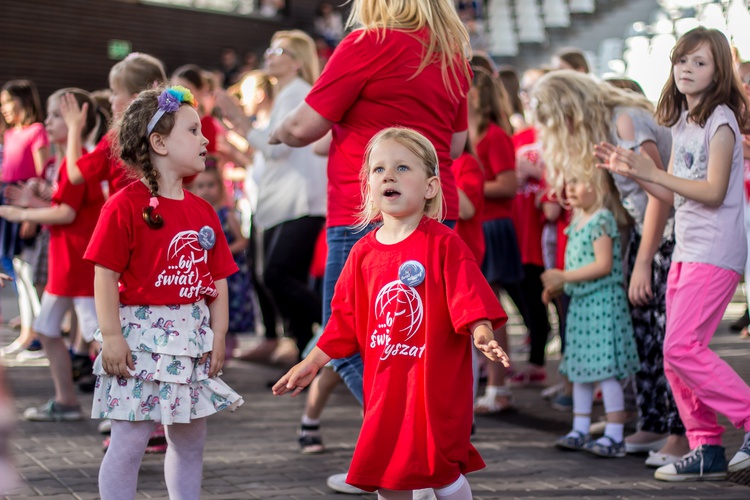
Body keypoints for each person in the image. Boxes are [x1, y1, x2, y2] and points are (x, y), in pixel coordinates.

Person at [267, 0, 471, 480]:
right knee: (414, 342)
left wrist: (274, 130)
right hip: (436, 210)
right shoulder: (451, 55)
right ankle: (416, 462)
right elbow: (456, 146)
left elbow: (301, 127)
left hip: (370, 215)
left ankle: (409, 459)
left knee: (349, 340)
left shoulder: (367, 43)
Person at [273, 127, 509, 499]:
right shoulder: (362, 253)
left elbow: (470, 299)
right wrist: (313, 363)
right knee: (388, 477)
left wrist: (482, 333)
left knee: (442, 474)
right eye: (379, 170)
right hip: (385, 390)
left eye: (402, 168)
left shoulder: (444, 244)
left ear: (431, 187)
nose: (389, 176)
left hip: (434, 389)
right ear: (369, 185)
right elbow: (343, 322)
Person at [596, 26, 750, 481]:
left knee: (682, 347)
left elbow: (713, 190)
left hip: (714, 250)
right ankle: (705, 446)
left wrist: (651, 171)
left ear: (719, 71)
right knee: (675, 352)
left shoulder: (721, 120)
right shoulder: (685, 121)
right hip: (688, 247)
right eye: (682, 60)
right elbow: (676, 193)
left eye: (699, 62)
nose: (687, 68)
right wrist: (634, 170)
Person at [84, 86, 243, 498]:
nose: (205, 138)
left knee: (190, 441)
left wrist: (219, 335)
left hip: (191, 340)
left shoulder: (203, 209)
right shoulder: (122, 206)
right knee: (130, 442)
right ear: (158, 142)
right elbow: (104, 275)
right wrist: (112, 337)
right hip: (139, 341)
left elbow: (218, 279)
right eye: (192, 130)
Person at [532, 70, 688, 466]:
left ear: (573, 109)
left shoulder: (624, 119)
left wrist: (640, 263)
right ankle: (653, 421)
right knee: (646, 336)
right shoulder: (610, 124)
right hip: (646, 234)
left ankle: (680, 432)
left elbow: (661, 194)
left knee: (668, 336)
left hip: (670, 234)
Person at [215, 30, 327, 362]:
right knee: (275, 276)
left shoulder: (298, 94)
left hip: (300, 202)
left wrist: (238, 119)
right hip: (282, 203)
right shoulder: (286, 95)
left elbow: (277, 149)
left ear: (296, 61)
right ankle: (305, 353)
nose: (269, 55)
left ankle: (343, 329)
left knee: (277, 274)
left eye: (278, 50)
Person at [0, 89, 106, 421]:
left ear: (78, 119)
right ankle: (66, 401)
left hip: (80, 262)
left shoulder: (81, 159)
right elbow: (65, 208)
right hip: (66, 261)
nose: (47, 122)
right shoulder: (64, 161)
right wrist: (34, 206)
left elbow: (66, 214)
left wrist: (24, 214)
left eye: (56, 115)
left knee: (100, 338)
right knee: (46, 329)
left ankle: (117, 408)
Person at [542, 168, 640, 458]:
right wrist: (559, 285)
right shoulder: (577, 220)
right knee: (581, 369)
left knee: (606, 371)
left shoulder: (602, 219)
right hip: (583, 304)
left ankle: (614, 434)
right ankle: (580, 427)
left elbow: (603, 265)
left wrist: (564, 277)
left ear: (599, 186)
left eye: (577, 181)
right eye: (569, 181)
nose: (569, 187)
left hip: (602, 303)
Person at [468, 67, 522, 412]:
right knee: (478, 310)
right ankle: (489, 383)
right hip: (476, 225)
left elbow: (508, 184)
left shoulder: (494, 135)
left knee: (492, 310)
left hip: (493, 225)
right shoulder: (466, 135)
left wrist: (467, 187)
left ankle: (499, 387)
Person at [66, 52, 168, 196]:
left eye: (114, 93)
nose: (110, 99)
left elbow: (75, 175)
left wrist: (73, 127)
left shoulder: (117, 138)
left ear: (135, 99)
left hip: (127, 215)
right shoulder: (171, 130)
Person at [0, 80, 49, 358]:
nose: (4, 109)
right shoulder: (9, 134)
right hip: (9, 203)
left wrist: (32, 214)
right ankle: (27, 332)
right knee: (18, 271)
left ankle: (42, 335)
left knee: (30, 273)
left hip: (28, 201)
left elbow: (40, 175)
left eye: (8, 102)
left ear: (24, 101)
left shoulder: (37, 131)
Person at [191, 164, 253, 346]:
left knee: (228, 311)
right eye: (201, 186)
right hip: (204, 271)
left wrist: (221, 253)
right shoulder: (195, 215)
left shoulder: (226, 215)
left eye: (211, 185)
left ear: (219, 186)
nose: (206, 190)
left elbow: (243, 241)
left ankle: (226, 347)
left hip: (229, 275)